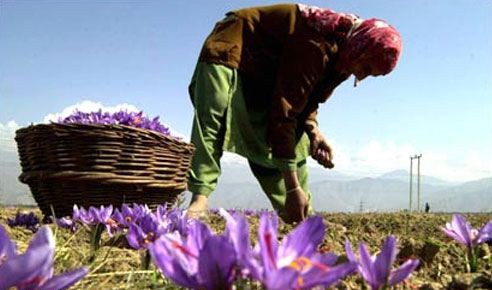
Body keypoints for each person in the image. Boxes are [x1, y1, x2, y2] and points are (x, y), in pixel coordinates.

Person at [186, 3, 402, 223]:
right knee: (214, 113)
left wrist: (314, 131)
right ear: (362, 46)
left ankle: (301, 213)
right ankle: (200, 197)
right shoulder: (316, 41)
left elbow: (306, 101)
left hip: (267, 73)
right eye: (366, 68)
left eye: (370, 75)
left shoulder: (346, 57)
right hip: (232, 47)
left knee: (293, 140)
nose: (361, 76)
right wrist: (292, 187)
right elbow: (285, 111)